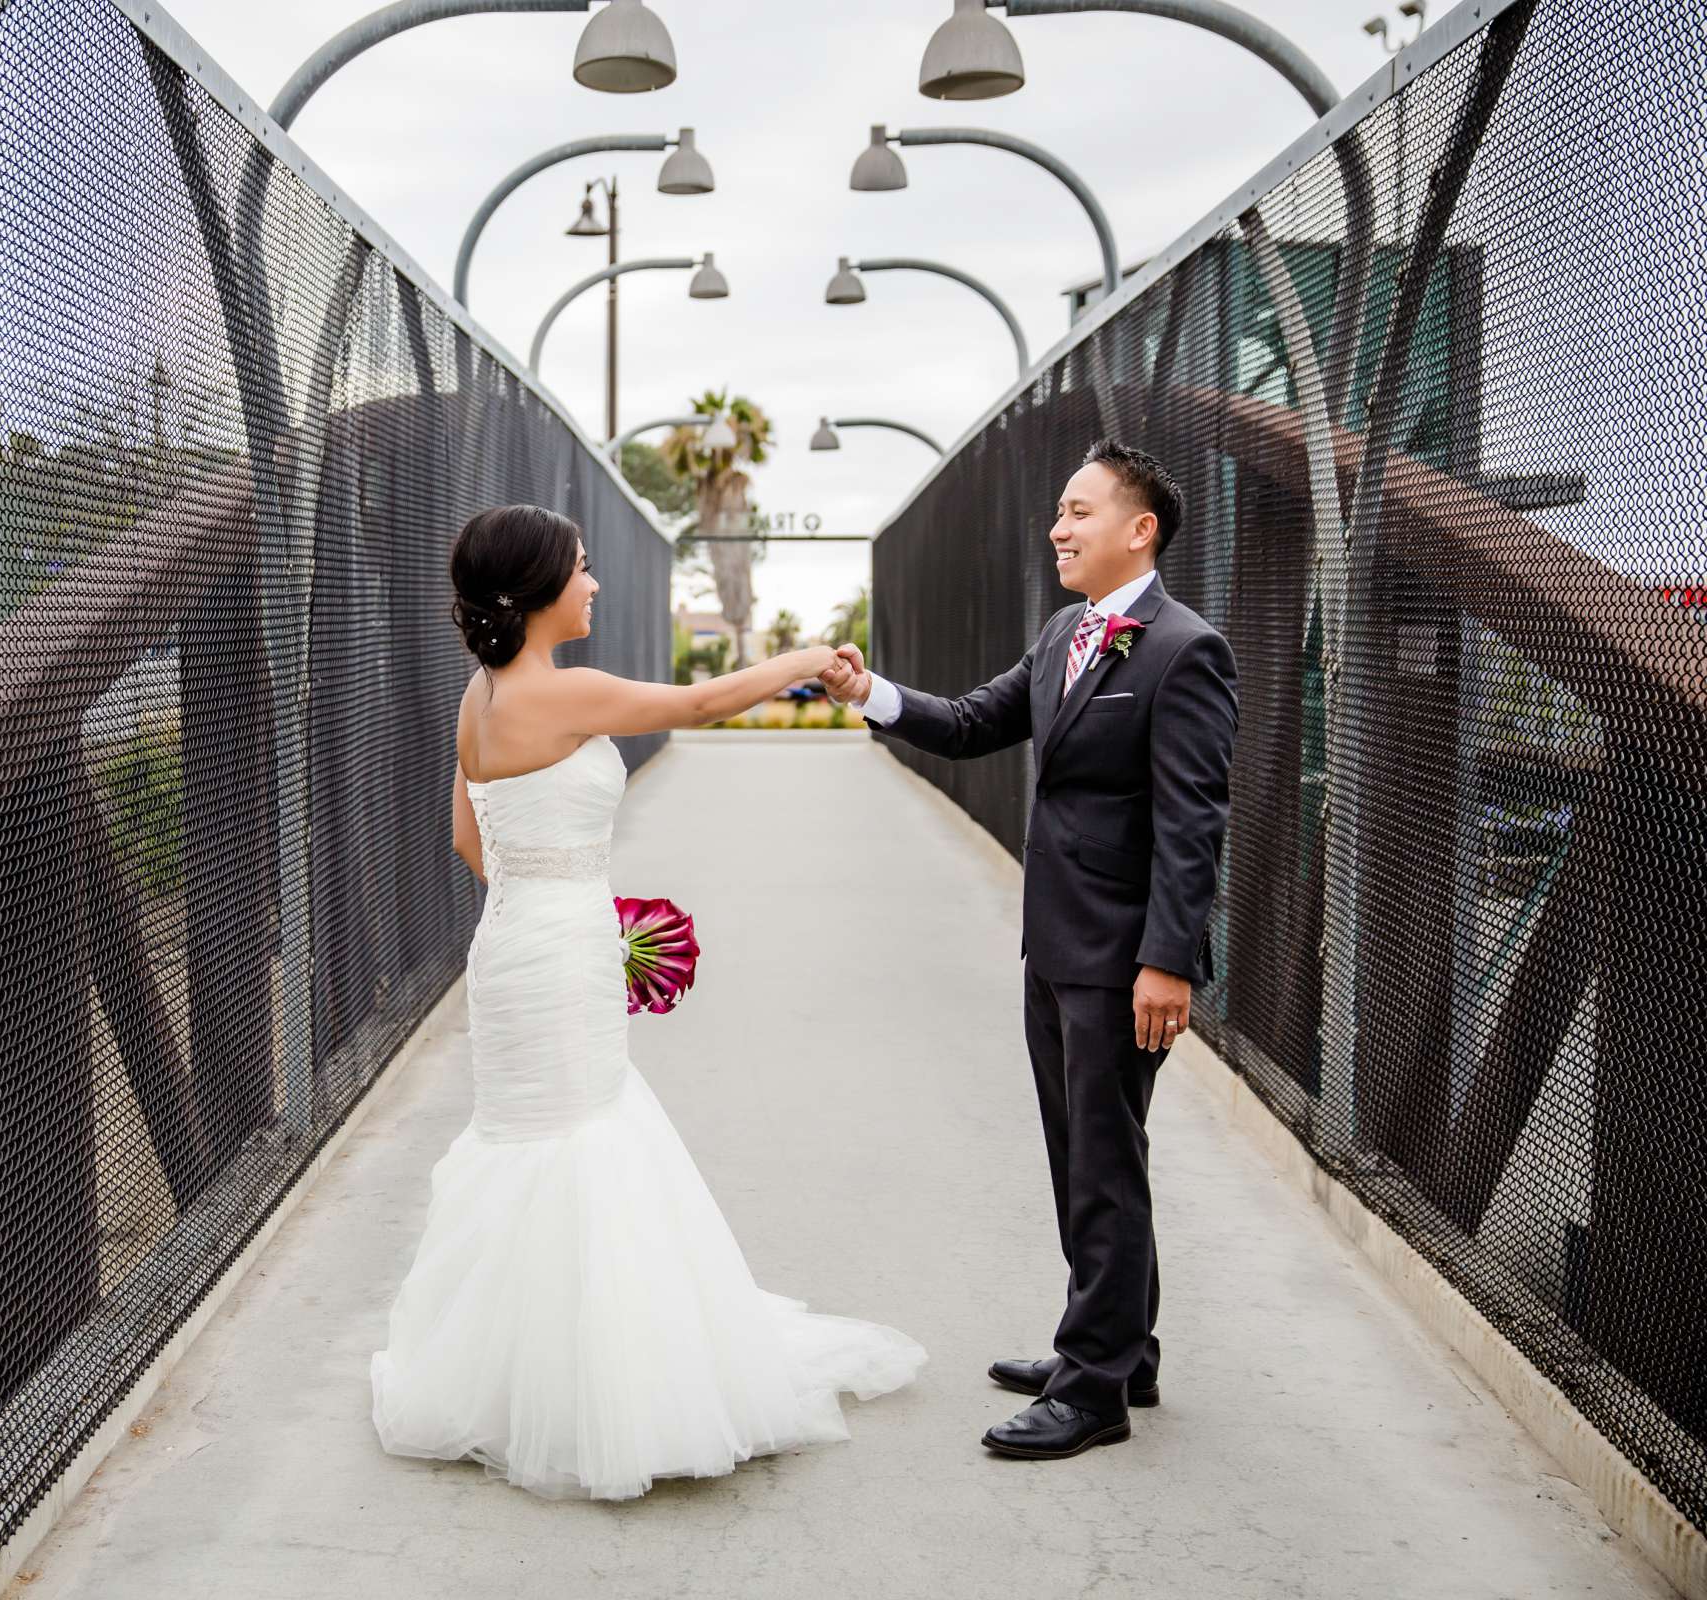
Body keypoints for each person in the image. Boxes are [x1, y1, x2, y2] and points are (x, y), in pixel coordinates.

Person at [369, 503, 924, 1500]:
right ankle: (601, 1394)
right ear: (539, 590)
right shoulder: (566, 692)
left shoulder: (480, 694)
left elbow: (470, 844)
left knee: (527, 1138)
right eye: (581, 570)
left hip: (515, 948)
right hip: (560, 945)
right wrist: (802, 654)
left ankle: (505, 1379)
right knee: (584, 1136)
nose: (593, 584)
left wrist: (553, 900)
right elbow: (703, 705)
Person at [821, 439, 1238, 1461]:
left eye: (1079, 510)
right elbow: (969, 723)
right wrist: (872, 692)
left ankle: (1093, 1389)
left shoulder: (1186, 650)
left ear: (1140, 529)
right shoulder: (1063, 635)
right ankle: (1118, 1347)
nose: (1059, 526)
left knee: (1104, 1162)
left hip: (1123, 958)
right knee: (1081, 1155)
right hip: (1051, 945)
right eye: (1059, 509)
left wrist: (1168, 959)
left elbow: (1193, 820)